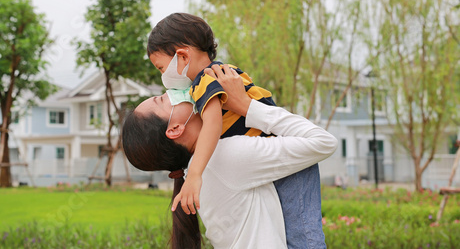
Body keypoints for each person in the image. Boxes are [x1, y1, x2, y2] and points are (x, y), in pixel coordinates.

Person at [147, 12, 326, 248]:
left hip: (282, 155)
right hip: (278, 146)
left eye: (161, 68)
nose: (164, 78)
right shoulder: (221, 71)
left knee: (303, 235)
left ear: (182, 55)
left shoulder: (204, 82)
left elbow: (212, 123)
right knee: (300, 230)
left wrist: (196, 174)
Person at [122, 64, 338, 249]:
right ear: (175, 129)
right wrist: (245, 104)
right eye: (162, 99)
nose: (172, 92)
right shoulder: (223, 158)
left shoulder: (199, 171)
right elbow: (323, 142)